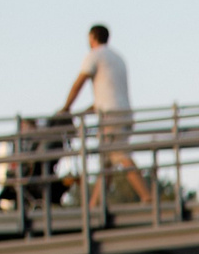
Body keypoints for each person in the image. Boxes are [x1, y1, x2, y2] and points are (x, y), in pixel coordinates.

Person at [60, 25, 144, 207]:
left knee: (120, 154)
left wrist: (66, 108)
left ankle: (147, 196)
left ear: (92, 38)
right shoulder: (117, 58)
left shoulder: (94, 55)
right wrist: (84, 112)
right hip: (124, 113)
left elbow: (78, 84)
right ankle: (93, 206)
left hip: (110, 117)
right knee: (107, 165)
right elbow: (108, 95)